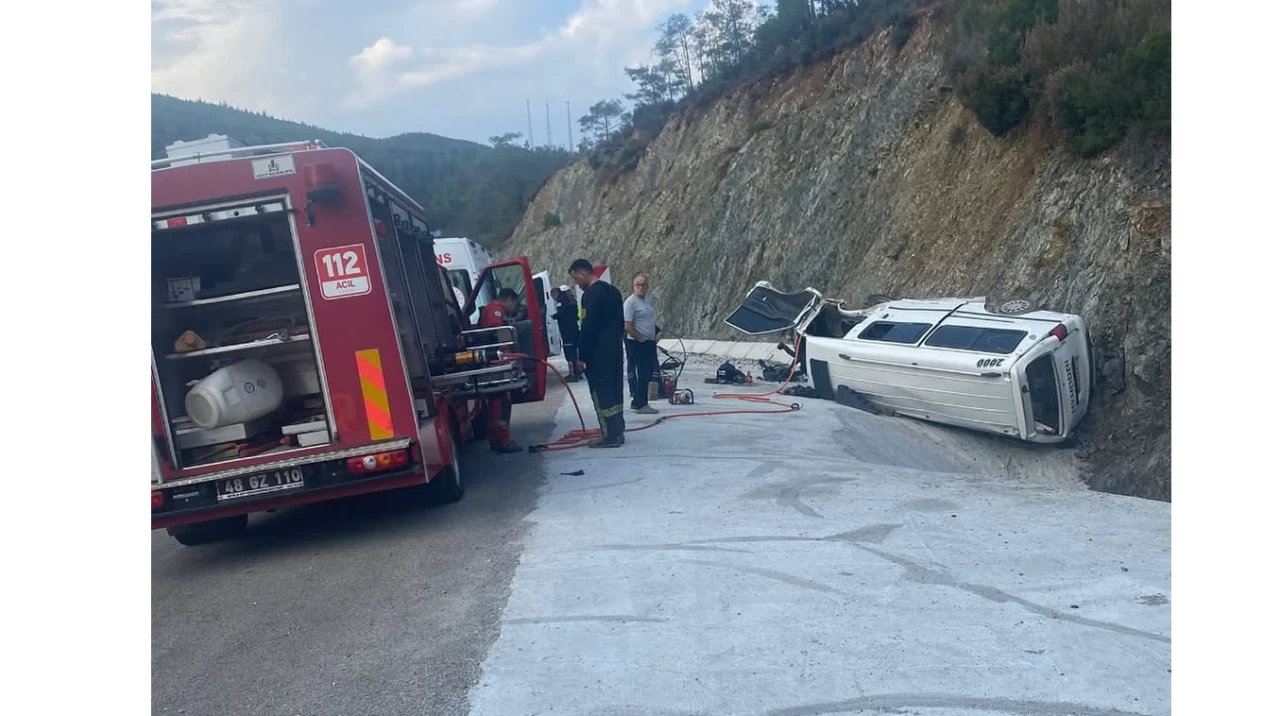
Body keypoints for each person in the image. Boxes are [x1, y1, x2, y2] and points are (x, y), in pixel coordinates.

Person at [569, 259, 626, 448]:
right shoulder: (614, 291)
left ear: (581, 273)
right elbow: (620, 323)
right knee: (615, 390)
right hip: (615, 350)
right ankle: (619, 431)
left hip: (598, 354)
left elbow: (588, 328)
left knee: (601, 393)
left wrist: (582, 356)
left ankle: (609, 435)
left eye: (576, 279)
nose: (577, 283)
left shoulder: (590, 296)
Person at [478, 288, 523, 454]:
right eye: (514, 303)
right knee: (501, 401)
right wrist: (508, 358)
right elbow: (499, 337)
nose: (514, 307)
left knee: (497, 402)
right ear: (509, 299)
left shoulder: (494, 311)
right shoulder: (495, 311)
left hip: (497, 362)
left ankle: (497, 439)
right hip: (497, 363)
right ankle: (503, 439)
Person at [624, 272, 662, 415]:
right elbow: (627, 324)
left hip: (648, 342)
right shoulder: (630, 302)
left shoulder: (646, 301)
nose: (640, 287)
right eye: (637, 285)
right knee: (643, 373)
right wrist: (639, 338)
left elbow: (648, 321)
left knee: (648, 372)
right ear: (633, 286)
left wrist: (656, 332)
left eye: (643, 285)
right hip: (638, 342)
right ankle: (641, 404)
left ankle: (637, 402)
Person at [550, 285, 583, 382]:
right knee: (575, 352)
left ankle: (573, 374)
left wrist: (552, 316)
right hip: (574, 329)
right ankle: (578, 373)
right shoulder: (573, 301)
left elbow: (559, 314)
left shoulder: (561, 303)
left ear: (556, 293)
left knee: (570, 353)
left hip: (567, 332)